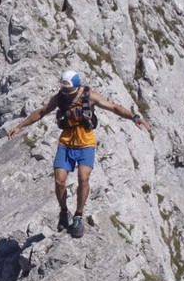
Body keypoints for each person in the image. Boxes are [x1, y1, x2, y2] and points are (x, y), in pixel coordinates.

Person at [8, 70, 152, 238]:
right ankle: (63, 212)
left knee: (83, 178)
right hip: (66, 142)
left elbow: (113, 107)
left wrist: (135, 117)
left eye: (69, 91)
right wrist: (20, 126)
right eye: (64, 90)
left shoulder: (89, 96)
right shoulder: (59, 98)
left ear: (77, 87)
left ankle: (78, 215)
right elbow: (41, 112)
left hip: (86, 143)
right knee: (59, 181)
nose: (66, 94)